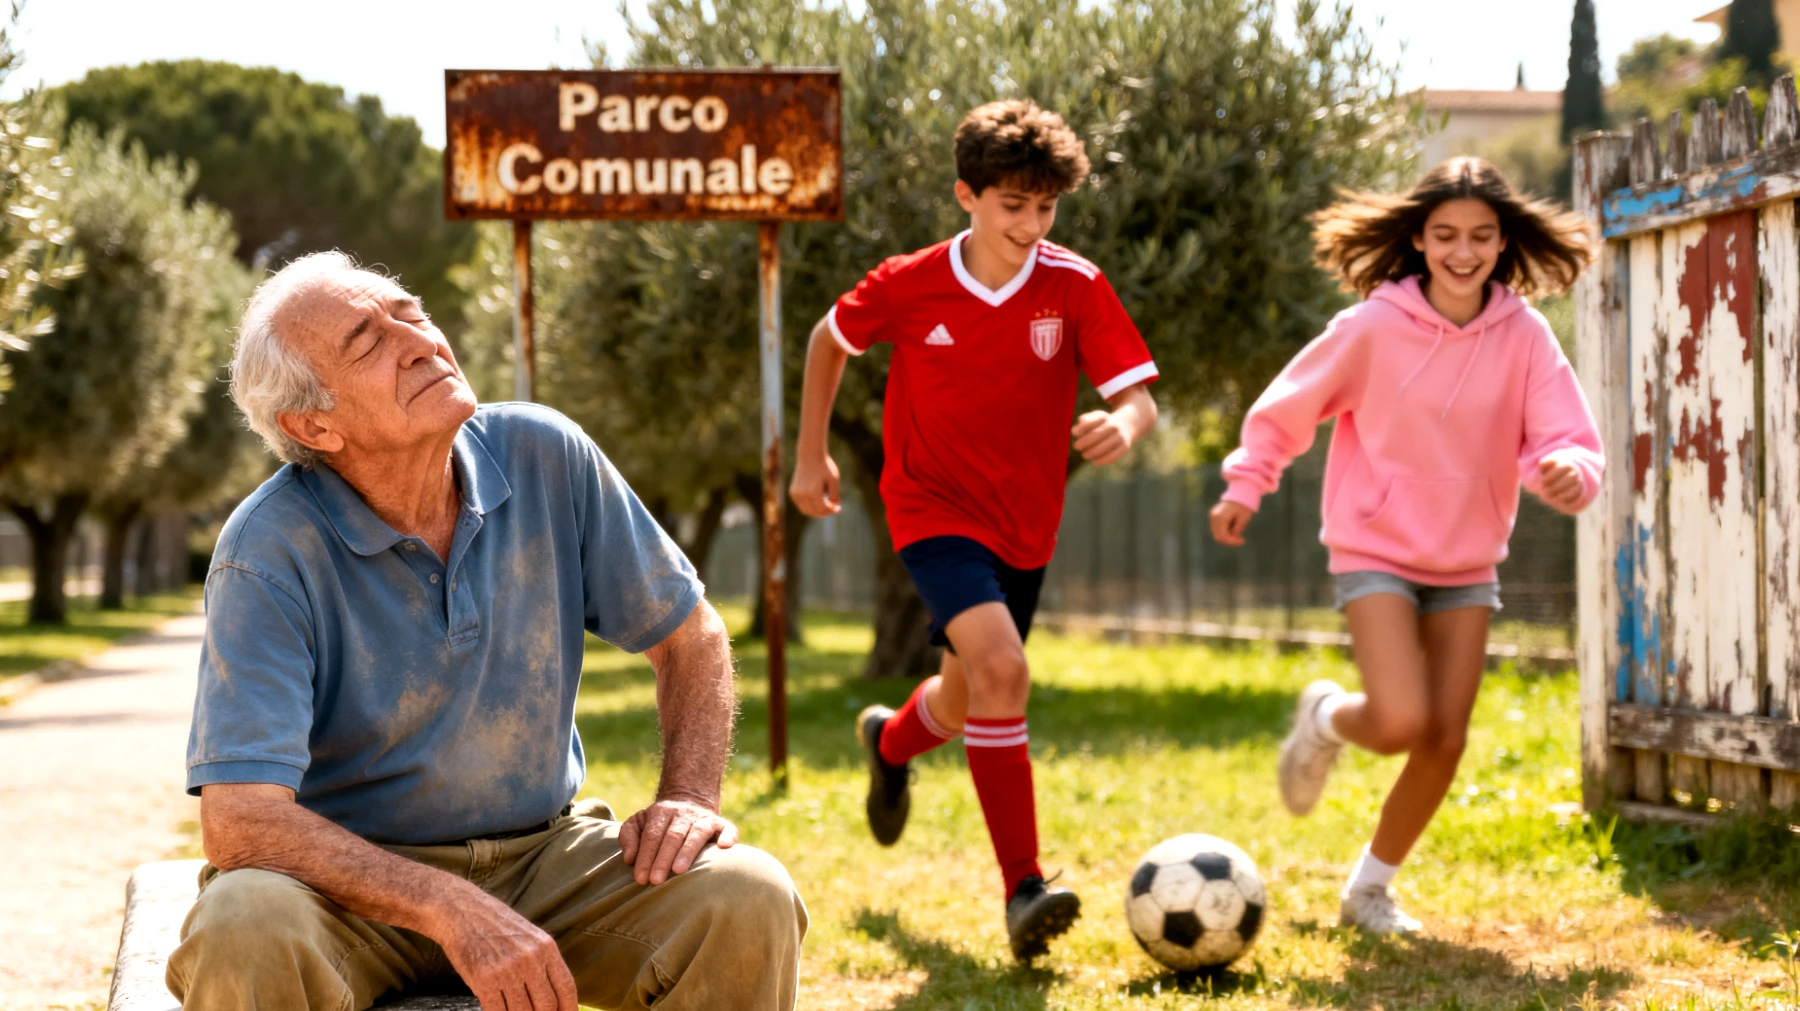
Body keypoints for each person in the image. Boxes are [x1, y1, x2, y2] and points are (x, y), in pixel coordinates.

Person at [168, 252, 806, 1011]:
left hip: (544, 860)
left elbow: (691, 635)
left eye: (411, 312)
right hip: (346, 890)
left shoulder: (545, 453)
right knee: (243, 920)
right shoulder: (267, 550)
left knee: (748, 893)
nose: (419, 341)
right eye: (367, 342)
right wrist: (447, 905)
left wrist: (690, 795)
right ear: (313, 424)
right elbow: (242, 821)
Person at [788, 99, 1159, 961]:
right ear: (967, 195)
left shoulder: (1075, 284)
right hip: (929, 508)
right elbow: (829, 338)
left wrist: (1125, 426)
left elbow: (1136, 394)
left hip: (1024, 524)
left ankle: (889, 740)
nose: (1031, 225)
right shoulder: (911, 281)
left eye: (1046, 207)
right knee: (1004, 669)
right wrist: (811, 456)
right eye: (1012, 206)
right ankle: (1024, 887)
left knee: (965, 697)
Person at [1210, 156, 1602, 934]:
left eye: (1482, 237)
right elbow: (1289, 407)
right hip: (1376, 547)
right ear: (1419, 239)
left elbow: (1562, 435)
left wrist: (1569, 472)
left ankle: (1368, 890)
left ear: (1503, 242)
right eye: (1447, 234)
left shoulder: (1523, 334)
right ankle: (1326, 718)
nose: (1465, 251)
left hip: (1467, 558)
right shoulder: (1372, 326)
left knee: (1445, 736)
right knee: (1397, 722)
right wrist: (1247, 481)